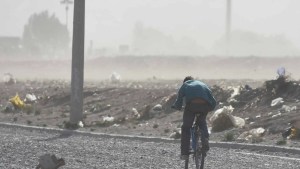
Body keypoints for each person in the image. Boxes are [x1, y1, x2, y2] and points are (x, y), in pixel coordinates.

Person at [172, 76, 216, 160]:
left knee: (186, 127)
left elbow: (179, 99)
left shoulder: (185, 85)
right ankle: (205, 139)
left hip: (192, 106)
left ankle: (184, 153)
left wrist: (177, 107)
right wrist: (210, 108)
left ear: (185, 81)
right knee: (202, 122)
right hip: (205, 105)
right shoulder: (203, 84)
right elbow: (213, 100)